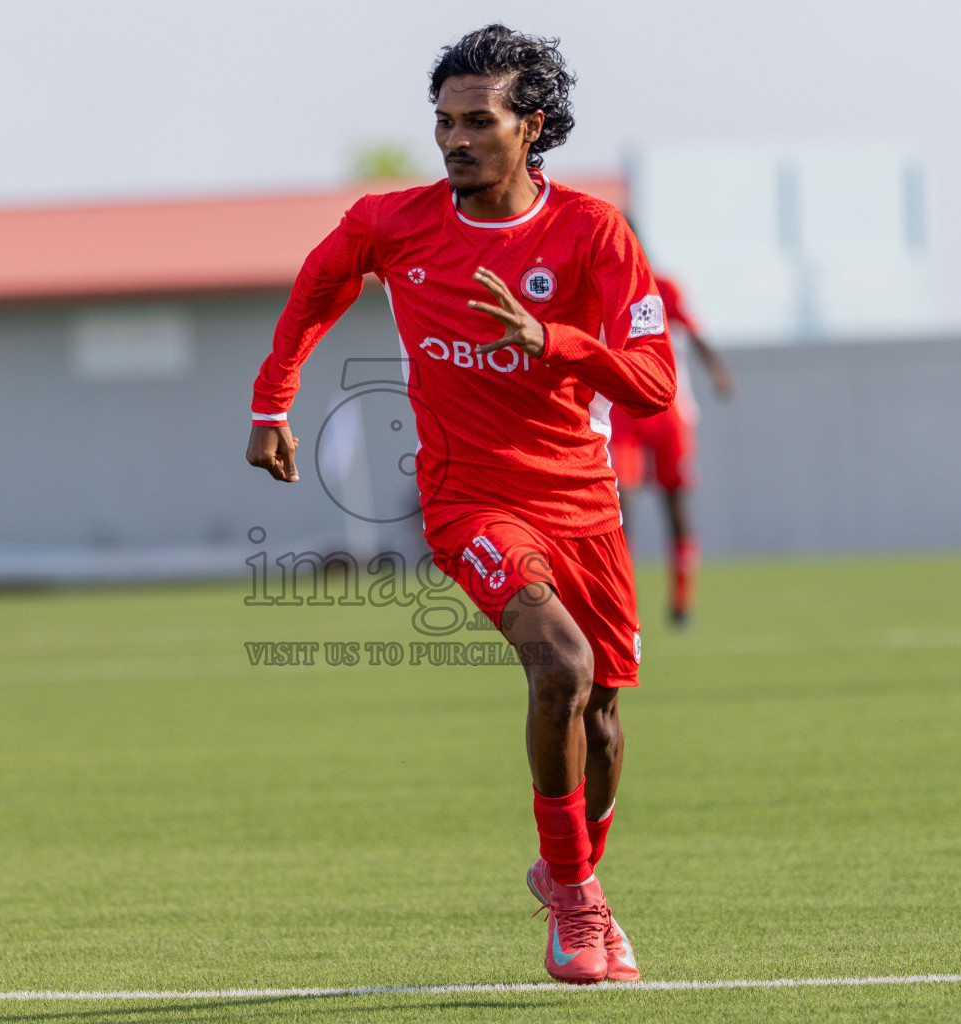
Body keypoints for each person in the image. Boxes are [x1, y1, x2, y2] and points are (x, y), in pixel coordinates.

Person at [244, 25, 676, 984]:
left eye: (479, 121)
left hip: (583, 503)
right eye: (443, 121)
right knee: (557, 665)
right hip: (468, 499)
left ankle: (571, 869)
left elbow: (651, 380)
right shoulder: (392, 223)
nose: (454, 140)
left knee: (603, 721)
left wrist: (554, 341)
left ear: (534, 127)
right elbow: (319, 283)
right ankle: (575, 903)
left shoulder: (594, 233)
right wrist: (273, 400)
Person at [609, 272, 731, 628]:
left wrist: (718, 371)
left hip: (668, 411)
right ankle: (621, 599)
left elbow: (694, 333)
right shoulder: (595, 279)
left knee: (676, 504)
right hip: (623, 412)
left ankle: (682, 601)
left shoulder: (663, 286)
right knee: (619, 507)